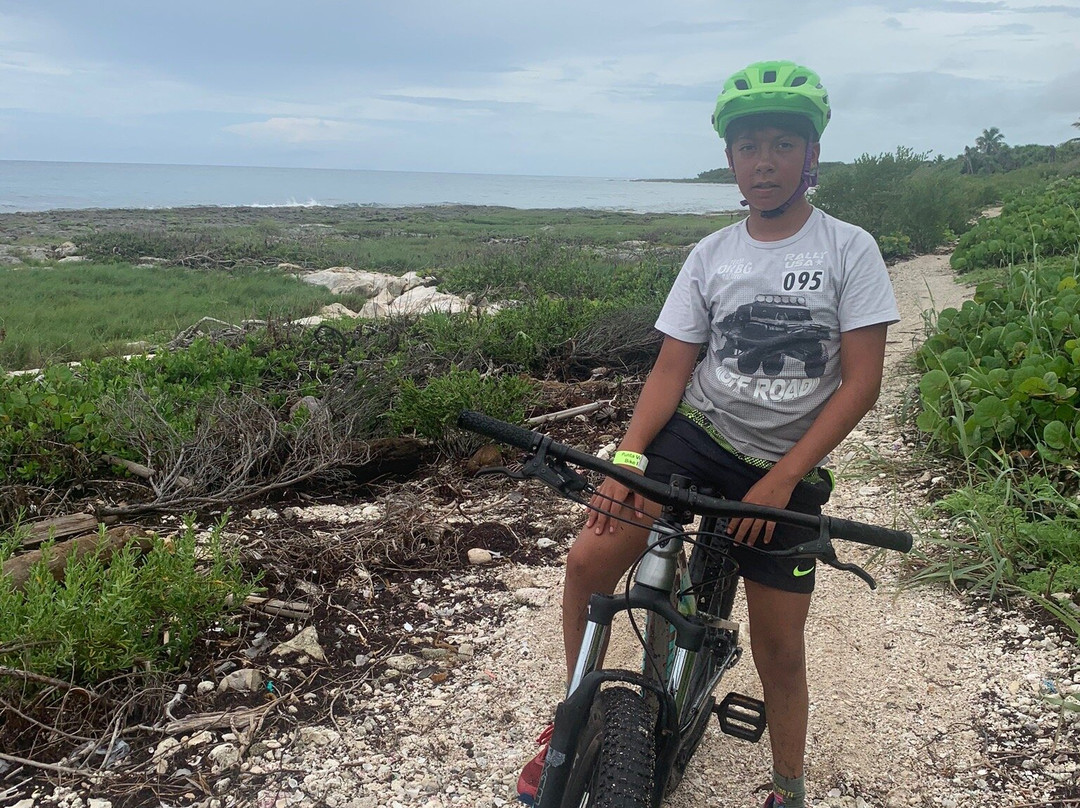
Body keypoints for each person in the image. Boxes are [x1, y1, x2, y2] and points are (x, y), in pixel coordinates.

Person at [515, 59, 901, 807]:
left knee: (780, 650)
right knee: (589, 561)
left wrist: (782, 480)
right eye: (749, 146)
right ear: (730, 158)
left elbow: (861, 384)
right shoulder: (712, 254)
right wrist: (627, 461)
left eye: (782, 144)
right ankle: (572, 717)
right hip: (697, 436)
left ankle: (787, 789)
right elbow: (671, 369)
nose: (765, 161)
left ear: (811, 154)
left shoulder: (849, 249)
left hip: (785, 463)